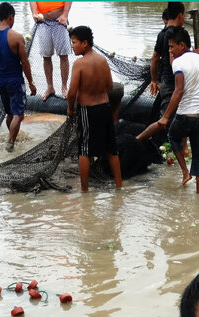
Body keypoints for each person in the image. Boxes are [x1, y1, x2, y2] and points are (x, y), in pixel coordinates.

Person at [137, 27, 199, 193]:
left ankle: (185, 172)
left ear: (182, 45)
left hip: (185, 115)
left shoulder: (178, 62)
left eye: (171, 47)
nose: (169, 50)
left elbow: (178, 90)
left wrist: (166, 116)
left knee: (173, 136)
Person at [66, 26, 122, 192]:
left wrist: (70, 109)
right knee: (111, 148)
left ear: (84, 43)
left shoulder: (79, 64)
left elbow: (71, 93)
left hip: (88, 110)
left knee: (84, 150)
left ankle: (84, 190)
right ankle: (119, 185)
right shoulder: (102, 60)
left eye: (74, 42)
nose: (72, 46)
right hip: (105, 108)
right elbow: (109, 86)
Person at [0, 2, 37, 152]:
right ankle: (11, 141)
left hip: (1, 81)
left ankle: (11, 137)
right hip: (15, 81)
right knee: (18, 115)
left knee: (9, 113)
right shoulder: (17, 37)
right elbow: (25, 62)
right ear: (10, 17)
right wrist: (31, 82)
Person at [150, 3, 187, 121]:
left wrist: (154, 80)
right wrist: (194, 54)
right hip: (176, 83)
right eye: (184, 15)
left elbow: (154, 58)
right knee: (171, 121)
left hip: (164, 83)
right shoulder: (180, 34)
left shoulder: (161, 34)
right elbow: (184, 59)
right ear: (180, 15)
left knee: (165, 115)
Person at [30, 2, 73, 100]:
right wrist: (34, 13)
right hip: (42, 20)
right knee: (46, 56)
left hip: (60, 19)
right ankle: (50, 87)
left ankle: (64, 87)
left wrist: (65, 15)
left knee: (63, 55)